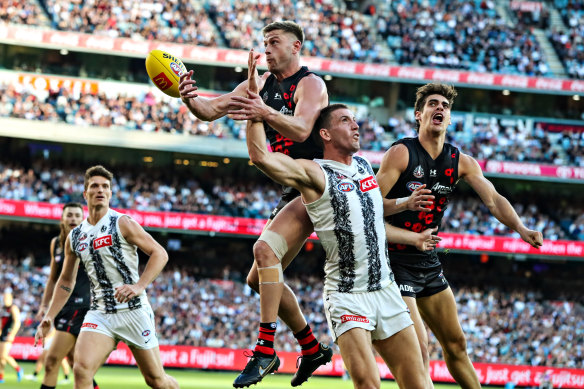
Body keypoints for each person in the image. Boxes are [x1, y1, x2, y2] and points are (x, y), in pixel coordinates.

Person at [242, 57, 433, 386]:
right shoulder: (314, 171)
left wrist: (405, 203)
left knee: (420, 383)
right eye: (347, 121)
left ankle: (309, 348)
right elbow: (261, 157)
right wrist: (255, 109)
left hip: (386, 290)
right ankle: (282, 345)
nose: (356, 126)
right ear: (326, 133)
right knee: (368, 385)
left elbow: (370, 208)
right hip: (347, 295)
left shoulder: (362, 166)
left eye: (355, 120)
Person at [180, 21, 332, 387]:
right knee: (257, 278)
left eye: (274, 42)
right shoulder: (260, 84)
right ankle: (311, 348)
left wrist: (262, 112)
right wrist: (187, 97)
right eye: (264, 42)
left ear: (296, 46)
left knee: (264, 251)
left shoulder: (310, 84)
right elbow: (209, 110)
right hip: (291, 186)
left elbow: (300, 130)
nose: (267, 48)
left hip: (320, 182)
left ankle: (265, 351)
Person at [377, 82, 544, 389]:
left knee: (456, 346)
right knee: (419, 350)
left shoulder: (461, 162)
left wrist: (522, 228)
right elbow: (367, 208)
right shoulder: (401, 153)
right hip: (392, 262)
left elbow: (493, 200)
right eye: (432, 104)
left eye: (445, 105)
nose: (439, 108)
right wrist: (405, 203)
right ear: (418, 114)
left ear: (450, 118)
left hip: (427, 261)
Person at [35, 165, 178, 389]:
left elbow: (160, 253)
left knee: (156, 381)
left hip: (133, 311)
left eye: (105, 187)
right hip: (100, 313)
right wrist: (49, 317)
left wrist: (139, 286)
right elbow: (65, 281)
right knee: (81, 370)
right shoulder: (75, 236)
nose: (100, 190)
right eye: (94, 186)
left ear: (110, 193)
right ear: (85, 194)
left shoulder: (123, 223)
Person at [35, 202, 99, 389]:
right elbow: (53, 278)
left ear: (83, 218)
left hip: (80, 308)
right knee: (76, 364)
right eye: (69, 215)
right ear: (62, 218)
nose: (73, 219)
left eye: (77, 215)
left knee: (52, 361)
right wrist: (45, 305)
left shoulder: (90, 241)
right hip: (62, 307)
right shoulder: (56, 243)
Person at [0, 289, 24, 383]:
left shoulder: (13, 308)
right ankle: (1, 377)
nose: (5, 299)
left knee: (3, 355)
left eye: (7, 297)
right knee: (1, 357)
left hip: (8, 334)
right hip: (2, 334)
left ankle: (18, 368)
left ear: (10, 298)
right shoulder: (3, 308)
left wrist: (12, 334)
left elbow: (17, 322)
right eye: (4, 297)